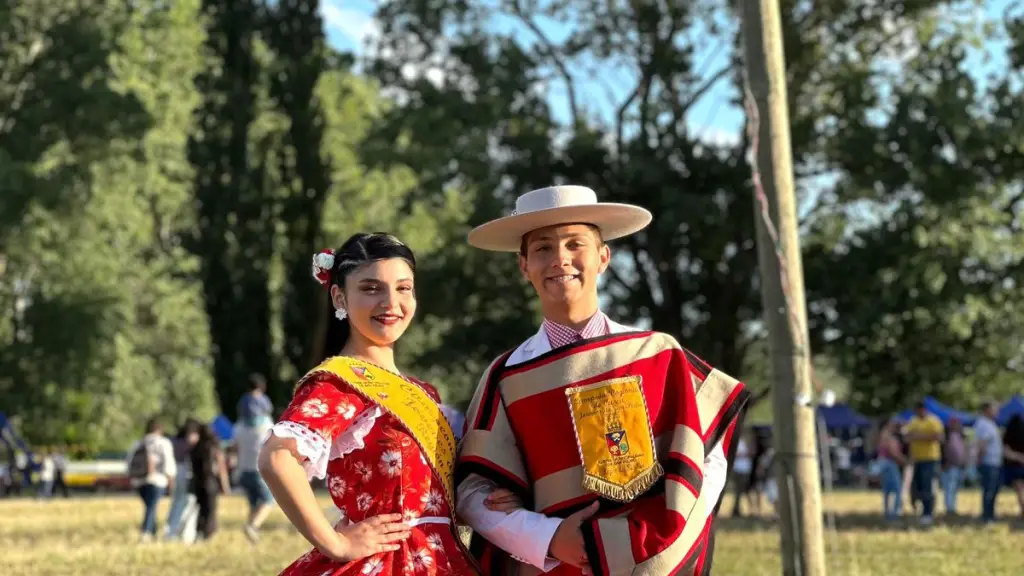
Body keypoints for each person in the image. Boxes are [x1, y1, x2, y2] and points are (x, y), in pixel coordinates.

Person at [456, 186, 750, 576]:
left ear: (603, 257)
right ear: (523, 266)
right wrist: (549, 537)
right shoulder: (506, 376)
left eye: (575, 243)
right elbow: (473, 495)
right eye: (543, 248)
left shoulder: (657, 355)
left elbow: (707, 458)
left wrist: (656, 548)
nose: (560, 258)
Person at [258, 233, 478, 576]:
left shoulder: (424, 392)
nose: (391, 302)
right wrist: (336, 544)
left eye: (403, 288)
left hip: (442, 558)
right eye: (371, 288)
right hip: (390, 562)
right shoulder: (340, 383)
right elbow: (276, 457)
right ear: (339, 296)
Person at [126, 419, 177, 543]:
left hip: (139, 481)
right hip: (157, 480)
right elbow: (168, 463)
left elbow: (128, 462)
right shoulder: (163, 443)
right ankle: (146, 532)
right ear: (160, 430)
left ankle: (153, 533)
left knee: (150, 506)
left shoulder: (138, 443)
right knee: (151, 507)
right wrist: (171, 481)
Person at [234, 411, 275, 542]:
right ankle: (253, 526)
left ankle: (251, 538)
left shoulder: (239, 426)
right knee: (268, 501)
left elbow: (235, 447)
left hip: (243, 470)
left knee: (253, 504)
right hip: (258, 470)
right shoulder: (267, 424)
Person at [902, 402, 944, 526]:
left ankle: (928, 513)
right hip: (917, 459)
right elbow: (907, 437)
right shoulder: (913, 421)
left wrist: (917, 436)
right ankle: (919, 509)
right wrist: (924, 436)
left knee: (928, 486)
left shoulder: (933, 421)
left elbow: (938, 436)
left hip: (930, 458)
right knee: (916, 487)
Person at [190, 424, 231, 541]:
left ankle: (199, 532)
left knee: (201, 509)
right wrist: (225, 486)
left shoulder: (195, 448)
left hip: (198, 483)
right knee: (211, 510)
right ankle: (208, 534)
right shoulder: (214, 448)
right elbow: (221, 468)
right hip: (210, 482)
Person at [166, 419, 201, 539]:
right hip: (187, 473)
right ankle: (186, 533)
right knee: (189, 503)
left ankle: (171, 531)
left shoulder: (173, 441)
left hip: (175, 471)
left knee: (176, 502)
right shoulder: (190, 442)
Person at [973, 401, 1002, 524]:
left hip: (994, 462)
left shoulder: (990, 424)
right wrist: (980, 460)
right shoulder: (983, 424)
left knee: (993, 489)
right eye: (994, 409)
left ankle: (991, 514)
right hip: (988, 462)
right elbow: (982, 444)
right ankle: (987, 516)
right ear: (986, 410)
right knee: (989, 490)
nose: (996, 411)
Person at [877, 418, 906, 520]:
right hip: (890, 464)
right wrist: (904, 461)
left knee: (887, 490)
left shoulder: (883, 434)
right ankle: (893, 514)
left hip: (885, 463)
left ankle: (888, 513)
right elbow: (892, 451)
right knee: (896, 489)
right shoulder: (887, 435)